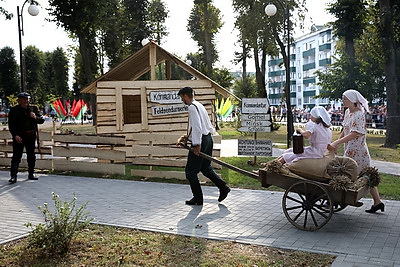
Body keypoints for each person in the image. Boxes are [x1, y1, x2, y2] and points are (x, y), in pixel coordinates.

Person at [327, 89, 384, 213]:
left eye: (345, 98)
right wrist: (337, 140)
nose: (343, 100)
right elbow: (345, 129)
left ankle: (335, 198)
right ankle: (378, 202)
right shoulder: (348, 112)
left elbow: (355, 133)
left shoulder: (359, 114)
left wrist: (337, 143)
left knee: (356, 174)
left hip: (358, 151)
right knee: (365, 175)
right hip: (350, 149)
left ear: (352, 100)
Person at [177, 86, 230, 205]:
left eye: (182, 98)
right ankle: (223, 187)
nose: (182, 101)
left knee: (190, 172)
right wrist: (187, 139)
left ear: (186, 96)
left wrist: (196, 144)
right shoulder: (199, 105)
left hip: (201, 140)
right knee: (205, 168)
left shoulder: (192, 107)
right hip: (208, 139)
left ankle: (198, 198)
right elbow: (204, 126)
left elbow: (197, 127)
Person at [8, 92, 44, 184]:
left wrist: (35, 117)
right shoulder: (14, 110)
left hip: (30, 136)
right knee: (16, 156)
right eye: (23, 99)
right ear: (19, 100)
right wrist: (15, 135)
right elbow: (11, 125)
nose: (26, 101)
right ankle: (13, 176)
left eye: (27, 99)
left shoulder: (33, 108)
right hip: (19, 136)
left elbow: (41, 120)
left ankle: (31, 173)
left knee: (31, 156)